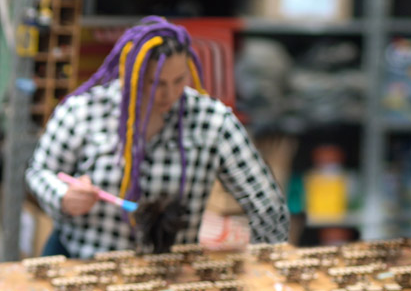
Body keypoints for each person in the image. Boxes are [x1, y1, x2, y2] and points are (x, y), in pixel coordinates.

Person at [27, 16, 290, 258]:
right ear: (130, 73)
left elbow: (265, 203)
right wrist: (63, 196)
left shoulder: (212, 121)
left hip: (170, 270)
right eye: (156, 83)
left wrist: (267, 263)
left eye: (178, 80)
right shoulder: (85, 111)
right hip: (85, 260)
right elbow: (39, 172)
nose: (169, 94)